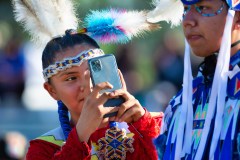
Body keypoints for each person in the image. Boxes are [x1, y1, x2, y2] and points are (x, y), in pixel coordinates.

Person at [12, 0, 163, 159]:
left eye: (93, 71)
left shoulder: (155, 125)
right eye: (71, 78)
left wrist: (144, 128)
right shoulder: (44, 149)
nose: (88, 85)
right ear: (52, 91)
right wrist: (80, 136)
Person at [147, 0, 240, 159]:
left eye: (203, 8)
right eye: (185, 9)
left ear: (237, 16)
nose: (187, 20)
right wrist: (140, 123)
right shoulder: (184, 100)